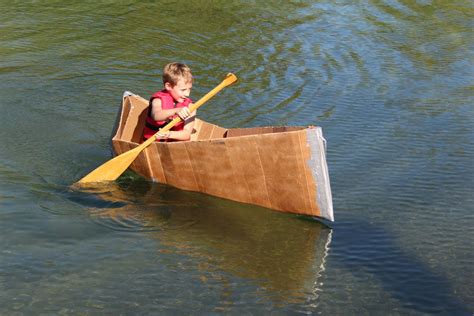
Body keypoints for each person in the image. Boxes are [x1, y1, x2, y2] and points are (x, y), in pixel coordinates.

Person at [142, 62, 196, 142]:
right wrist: (176, 111)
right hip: (151, 144)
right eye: (183, 90)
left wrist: (169, 134)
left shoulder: (190, 107)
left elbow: (187, 134)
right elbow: (156, 115)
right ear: (168, 86)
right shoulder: (158, 100)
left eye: (189, 89)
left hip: (174, 148)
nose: (187, 94)